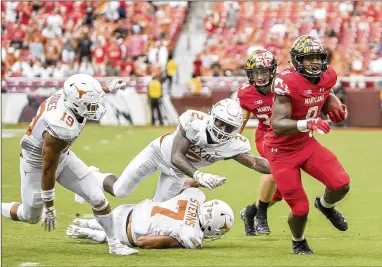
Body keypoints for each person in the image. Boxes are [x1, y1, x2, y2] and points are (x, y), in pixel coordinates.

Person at [1, 74, 137, 256]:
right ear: (75, 105)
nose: (96, 107)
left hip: (63, 156)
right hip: (36, 164)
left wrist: (107, 89)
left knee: (97, 197)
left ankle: (114, 244)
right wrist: (49, 205)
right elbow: (48, 168)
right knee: (30, 216)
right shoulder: (60, 124)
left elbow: (84, 94)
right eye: (90, 105)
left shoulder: (68, 94)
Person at [264, 35, 350, 254]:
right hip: (281, 151)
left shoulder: (328, 75)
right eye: (308, 58)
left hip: (305, 144)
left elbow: (324, 92)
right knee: (300, 209)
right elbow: (278, 125)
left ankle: (325, 205)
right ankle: (298, 240)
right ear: (297, 61)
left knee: (341, 184)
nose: (314, 62)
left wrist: (335, 106)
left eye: (318, 57)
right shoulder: (287, 81)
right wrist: (308, 122)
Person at [96, 98, 271, 203]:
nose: (222, 129)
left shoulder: (233, 144)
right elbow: (176, 156)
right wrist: (199, 176)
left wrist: (286, 168)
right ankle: (95, 176)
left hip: (178, 173)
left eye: (228, 127)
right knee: (120, 190)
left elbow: (254, 163)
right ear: (212, 116)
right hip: (158, 154)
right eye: (220, 122)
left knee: (158, 209)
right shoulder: (194, 121)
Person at [67, 188, 234, 249]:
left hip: (127, 210)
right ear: (212, 225)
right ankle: (100, 236)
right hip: (129, 234)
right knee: (131, 235)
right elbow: (144, 242)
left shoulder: (196, 195)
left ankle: (90, 224)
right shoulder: (192, 236)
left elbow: (180, 184)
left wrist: (199, 179)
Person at [237, 49, 282, 236]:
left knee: (281, 193)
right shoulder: (246, 93)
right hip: (266, 136)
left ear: (272, 71)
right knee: (273, 168)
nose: (261, 76)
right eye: (256, 72)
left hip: (288, 137)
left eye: (264, 71)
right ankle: (261, 216)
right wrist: (231, 140)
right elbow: (242, 119)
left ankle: (249, 213)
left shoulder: (284, 86)